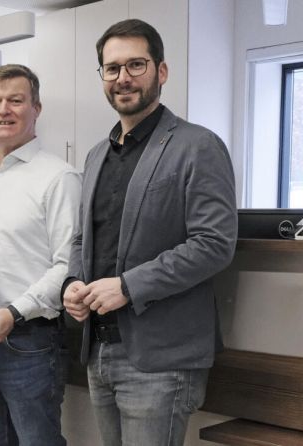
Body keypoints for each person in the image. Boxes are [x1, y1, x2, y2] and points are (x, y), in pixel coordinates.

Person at [62, 19, 237, 446]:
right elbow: (83, 237)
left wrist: (128, 286)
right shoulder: (97, 154)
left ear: (161, 71)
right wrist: (72, 282)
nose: (123, 77)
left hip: (161, 358)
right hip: (99, 348)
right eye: (112, 68)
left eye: (135, 65)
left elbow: (214, 244)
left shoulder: (198, 146)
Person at [0, 64, 81, 445]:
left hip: (30, 343)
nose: (3, 110)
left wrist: (14, 311)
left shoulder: (59, 178)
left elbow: (67, 266)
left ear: (36, 108)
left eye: (15, 101)